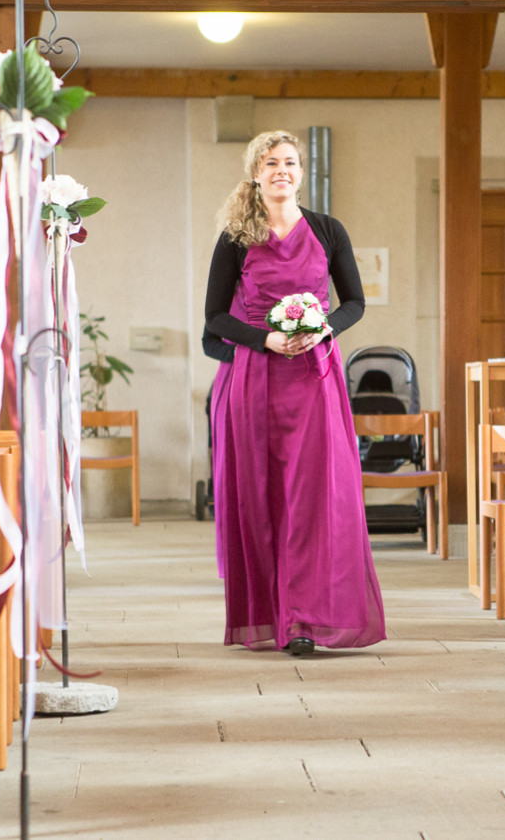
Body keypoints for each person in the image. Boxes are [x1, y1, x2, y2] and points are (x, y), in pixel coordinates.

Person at [203, 130, 385, 656]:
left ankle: (303, 620)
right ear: (255, 173)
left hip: (313, 381)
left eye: (290, 162)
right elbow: (214, 318)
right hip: (254, 381)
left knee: (313, 499)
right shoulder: (235, 237)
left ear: (301, 172)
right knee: (261, 497)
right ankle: (270, 614)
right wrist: (266, 337)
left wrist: (323, 327)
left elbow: (354, 303)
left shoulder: (328, 230)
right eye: (271, 163)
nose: (282, 170)